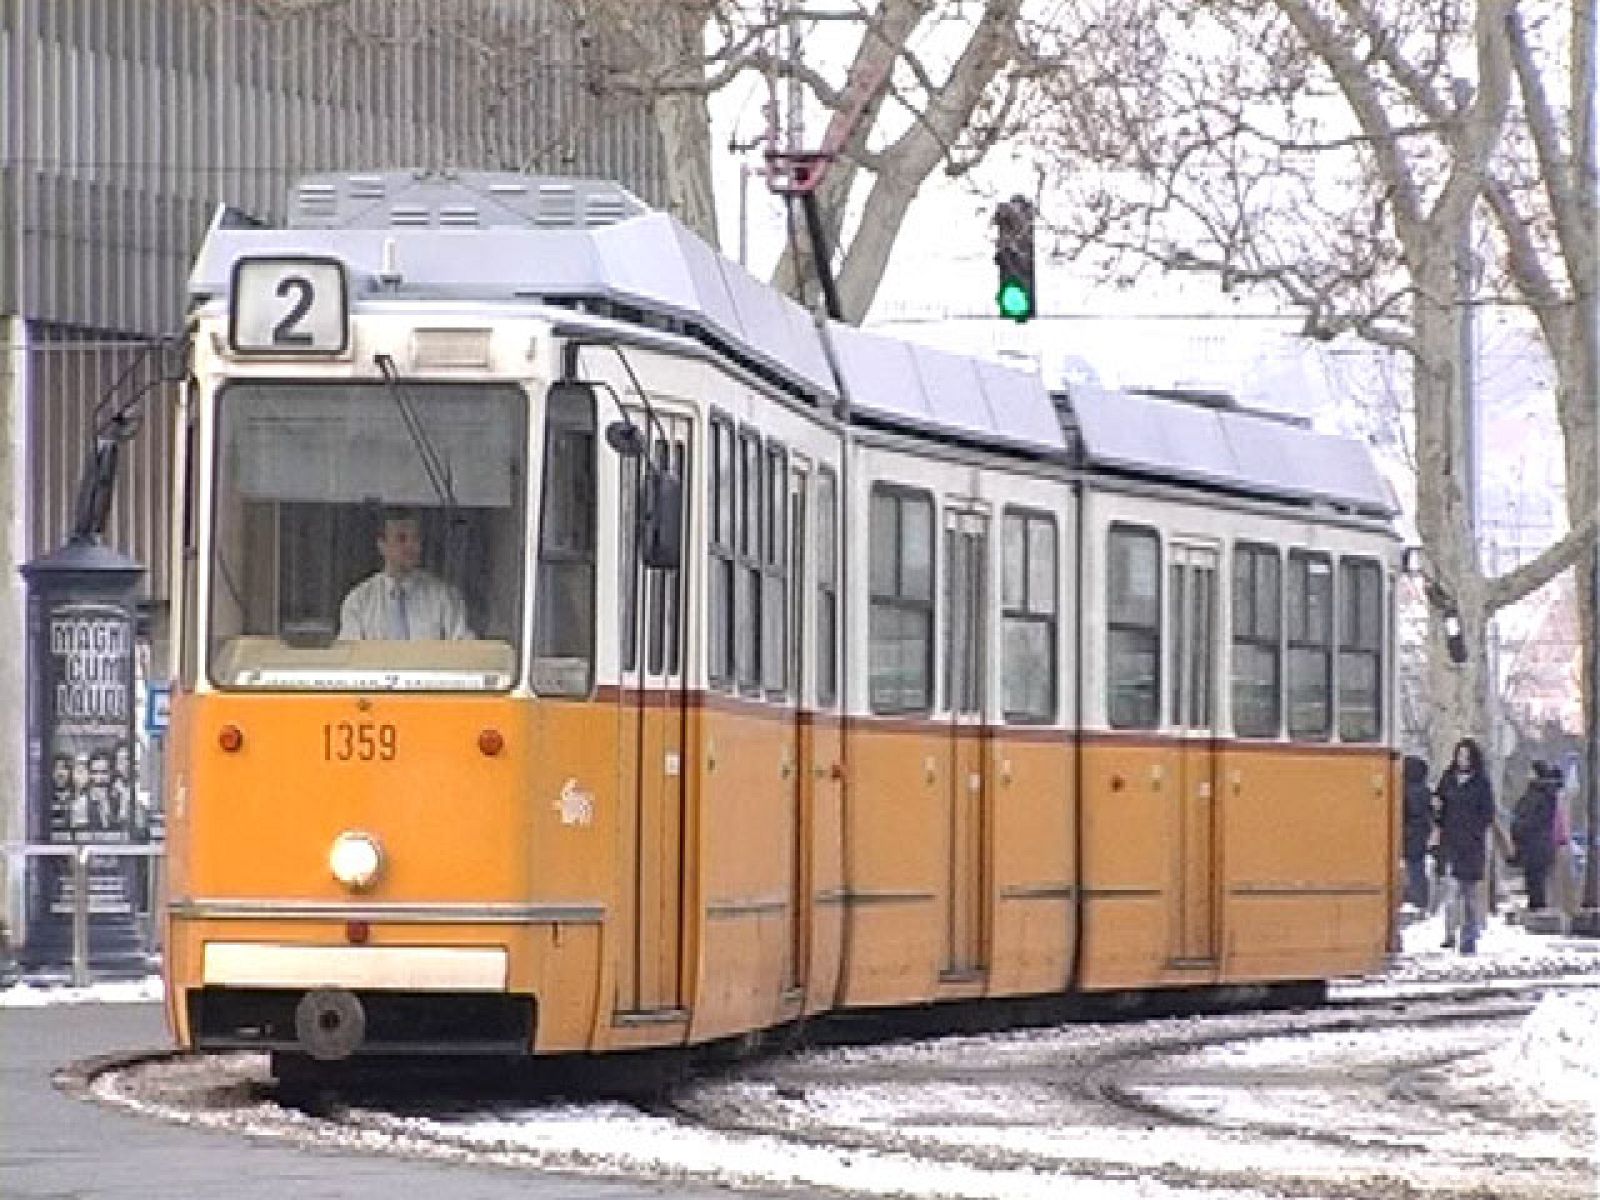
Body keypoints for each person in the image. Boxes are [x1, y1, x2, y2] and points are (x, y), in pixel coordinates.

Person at [339, 508, 472, 641]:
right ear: (382, 545)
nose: (411, 545)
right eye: (401, 538)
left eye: (416, 538)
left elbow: (464, 646)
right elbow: (350, 650)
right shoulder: (359, 601)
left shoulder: (444, 598)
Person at [1434, 737, 1495, 954]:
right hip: (1450, 842)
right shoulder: (1448, 778)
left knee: (1469, 894)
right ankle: (1450, 933)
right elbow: (1439, 806)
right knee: (1451, 892)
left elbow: (1487, 813)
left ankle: (1468, 938)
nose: (1462, 760)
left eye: (1467, 756)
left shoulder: (1481, 783)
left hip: (1471, 845)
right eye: (1460, 755)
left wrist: (1474, 829)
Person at [1509, 761, 1560, 912]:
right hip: (1532, 844)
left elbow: (1535, 819)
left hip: (1536, 844)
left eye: (1530, 771)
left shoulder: (1542, 795)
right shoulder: (1536, 793)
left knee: (1536, 881)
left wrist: (1520, 826)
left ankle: (1538, 909)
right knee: (1532, 880)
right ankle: (1536, 907)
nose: (1527, 774)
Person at [1401, 755, 1433, 912]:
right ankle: (1420, 899)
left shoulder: (1405, 790)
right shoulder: (1425, 790)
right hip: (1420, 833)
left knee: (1412, 867)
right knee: (1417, 866)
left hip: (1409, 833)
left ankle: (1415, 898)